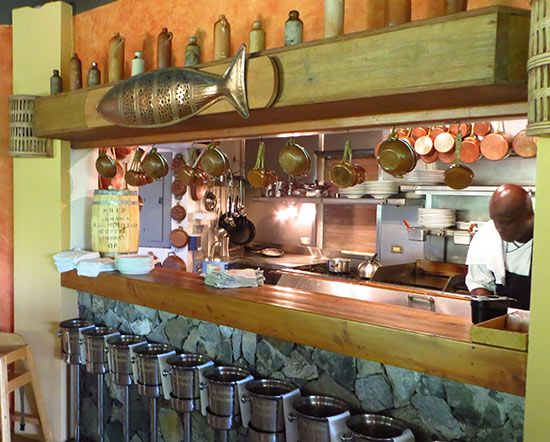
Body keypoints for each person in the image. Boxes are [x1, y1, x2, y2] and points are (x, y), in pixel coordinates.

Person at [465, 184, 534, 310]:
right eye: (496, 221)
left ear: (529, 216)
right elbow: (479, 284)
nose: (500, 229)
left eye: (507, 223)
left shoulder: (544, 242)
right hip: (500, 318)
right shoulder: (486, 235)